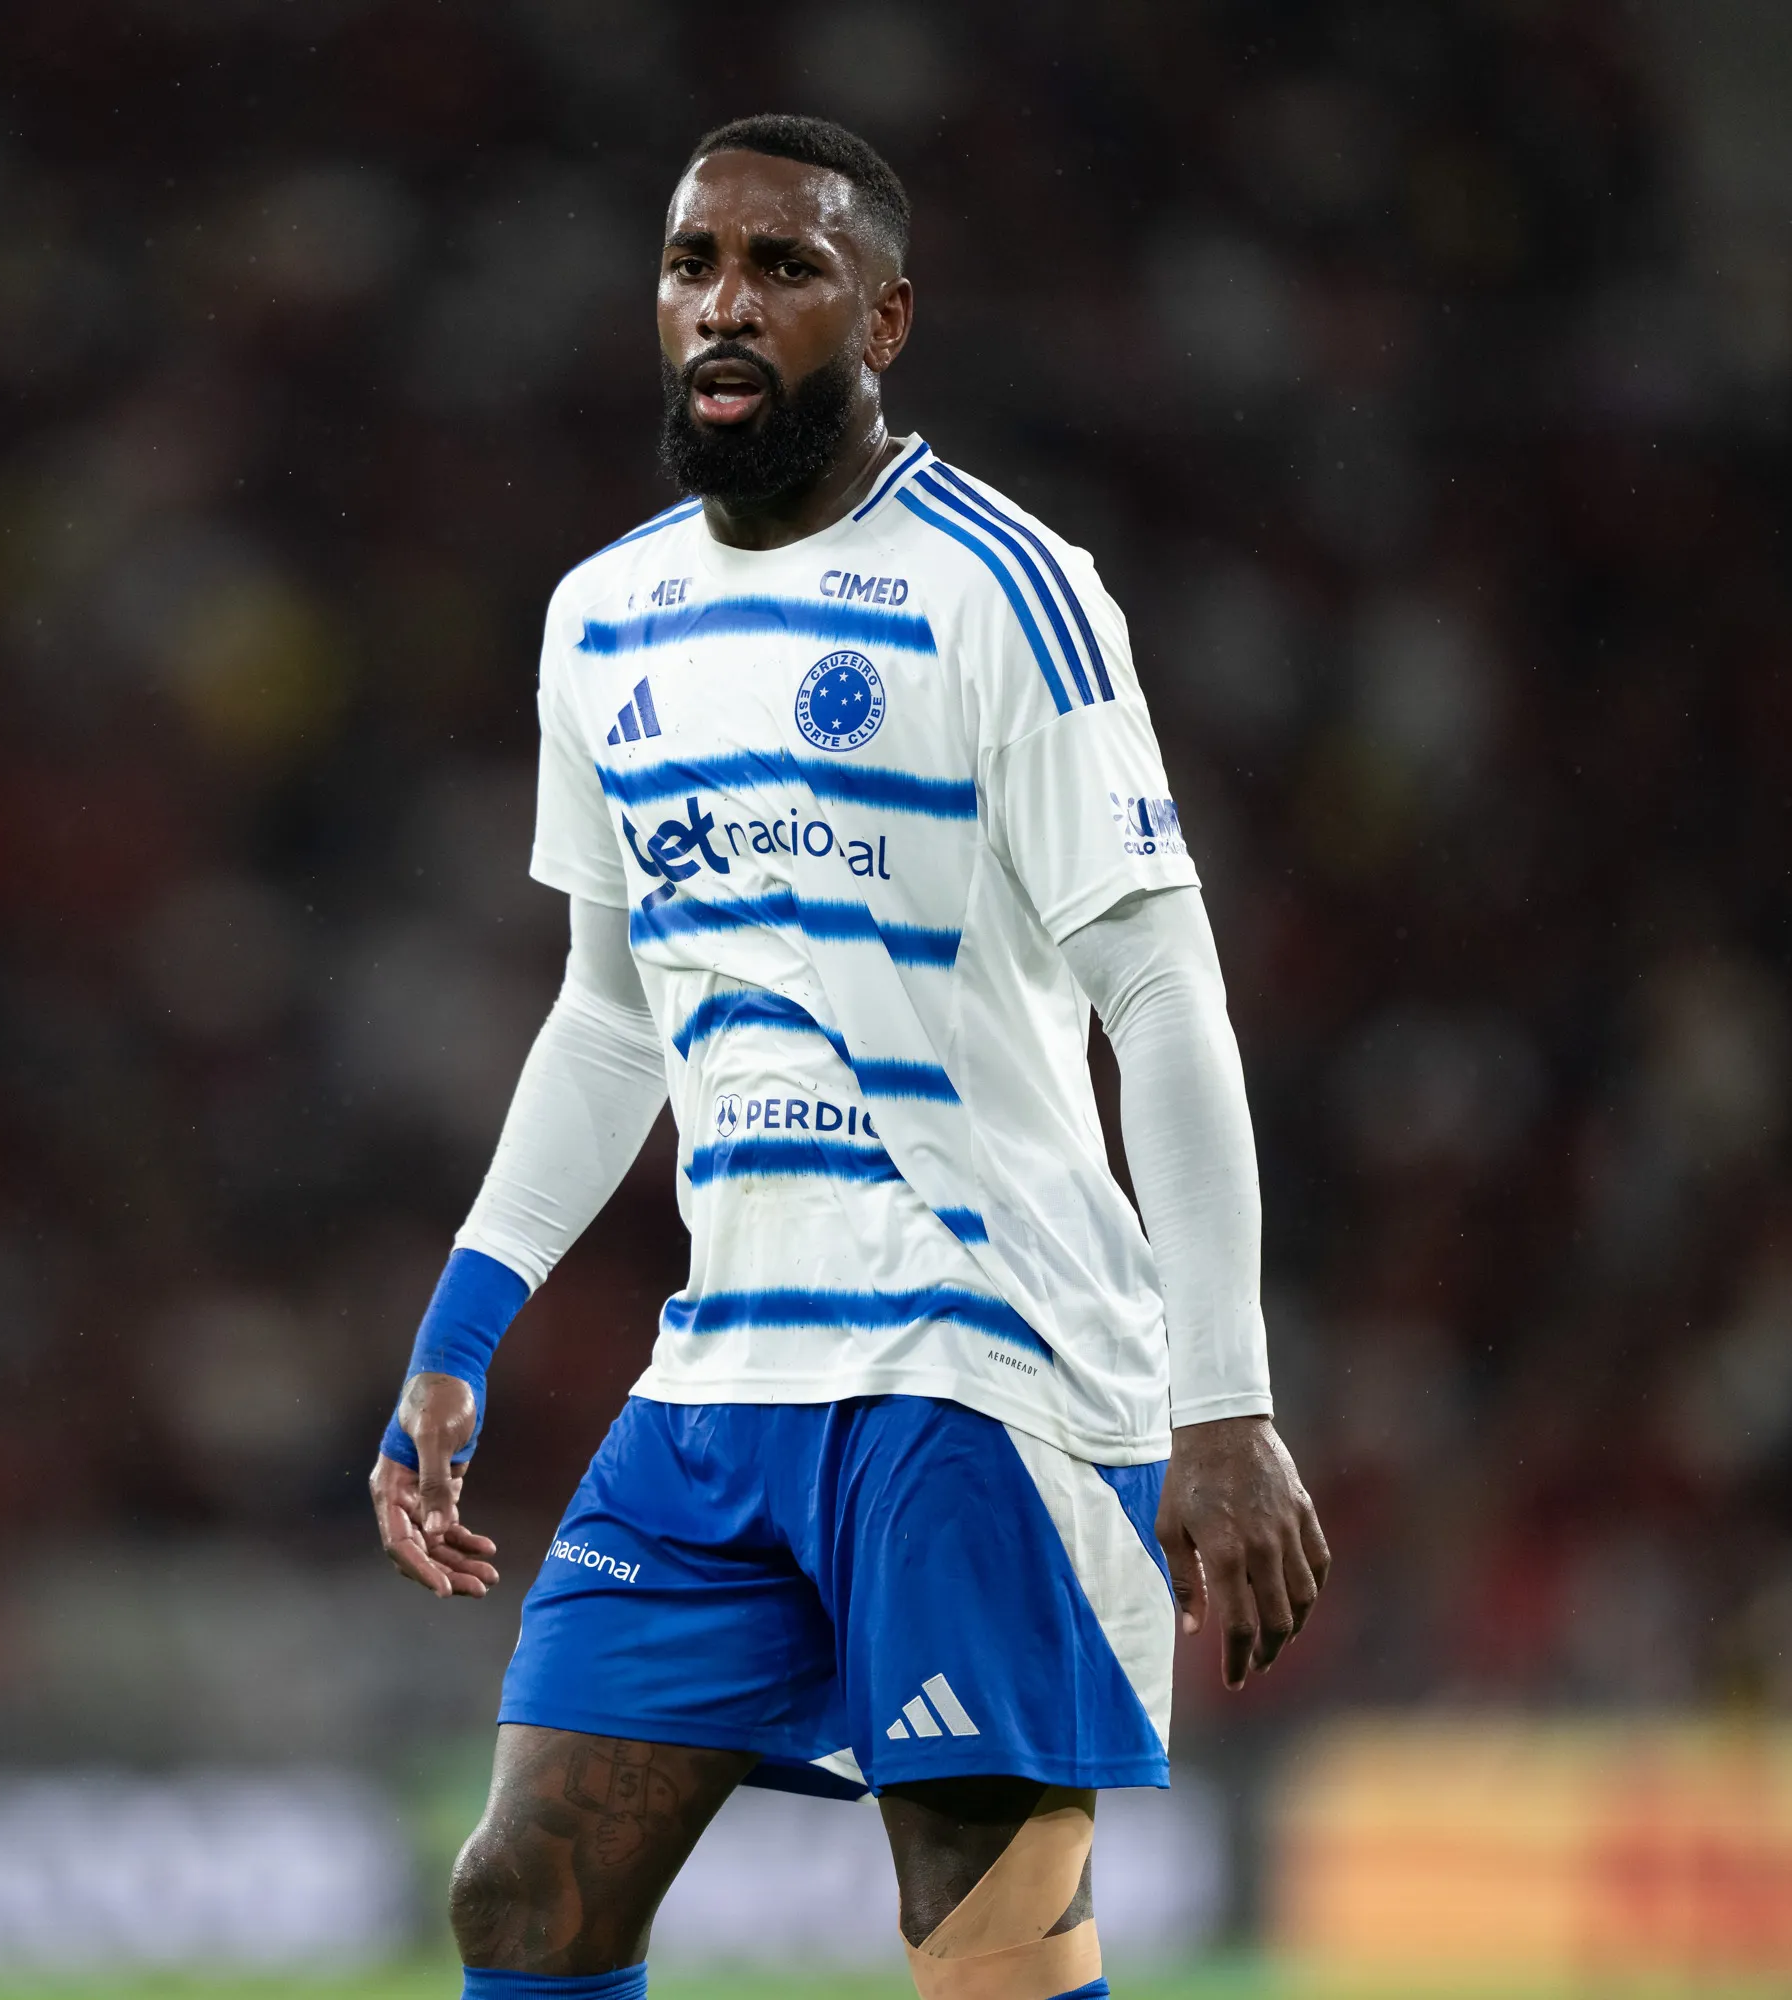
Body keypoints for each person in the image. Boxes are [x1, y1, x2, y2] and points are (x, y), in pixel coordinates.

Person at [367, 115, 1329, 2000]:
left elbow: (1166, 1000)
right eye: (691, 264)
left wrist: (1226, 1400)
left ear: (883, 315)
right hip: (728, 1369)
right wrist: (460, 1332)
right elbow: (606, 1008)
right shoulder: (603, 619)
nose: (726, 306)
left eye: (783, 270)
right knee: (523, 1899)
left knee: (976, 1954)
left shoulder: (1006, 593)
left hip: (982, 1367)